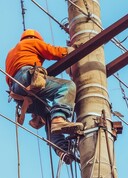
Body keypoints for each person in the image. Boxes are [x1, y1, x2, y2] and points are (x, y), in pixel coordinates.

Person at [5, 29, 83, 163]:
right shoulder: (31, 42)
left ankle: (61, 149)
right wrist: (71, 50)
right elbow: (53, 52)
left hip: (17, 92)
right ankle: (59, 119)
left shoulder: (11, 53)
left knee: (47, 117)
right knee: (67, 86)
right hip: (27, 78)